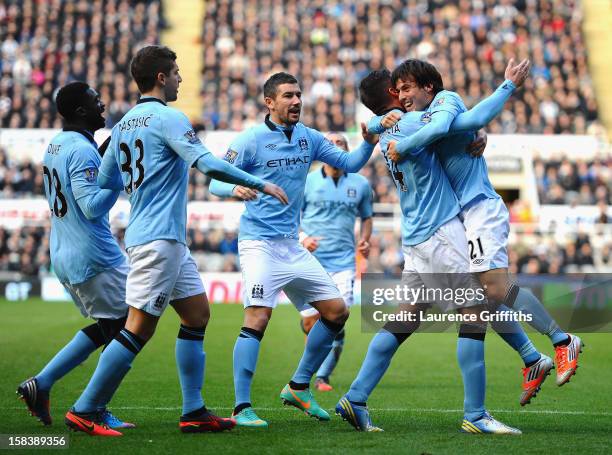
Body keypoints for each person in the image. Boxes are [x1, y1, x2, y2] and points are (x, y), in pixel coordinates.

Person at [63, 45, 288, 437]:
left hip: (161, 237)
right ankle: (85, 408)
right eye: (177, 72)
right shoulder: (168, 118)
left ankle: (194, 410)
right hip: (158, 240)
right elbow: (208, 164)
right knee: (137, 329)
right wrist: (259, 182)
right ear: (162, 78)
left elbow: (103, 180)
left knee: (197, 314)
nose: (182, 78)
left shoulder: (124, 124)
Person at [336, 61, 530, 434]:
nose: (409, 94)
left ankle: (356, 397)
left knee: (403, 320)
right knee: (475, 310)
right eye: (401, 88)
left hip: (416, 237)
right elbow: (461, 121)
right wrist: (503, 92)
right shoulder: (411, 124)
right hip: (440, 233)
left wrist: (374, 125)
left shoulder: (387, 130)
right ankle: (477, 414)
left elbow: (444, 133)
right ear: (394, 94)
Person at [379, 58, 582, 402]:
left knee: (496, 287)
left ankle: (564, 341)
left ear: (429, 86)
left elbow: (471, 120)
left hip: (481, 206)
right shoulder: (417, 120)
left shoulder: (445, 101)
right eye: (398, 91)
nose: (403, 96)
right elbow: (457, 129)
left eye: (408, 87)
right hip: (462, 217)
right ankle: (532, 359)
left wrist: (507, 86)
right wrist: (378, 121)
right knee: (483, 299)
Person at [209, 72, 378, 428]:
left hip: (291, 245)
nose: (297, 101)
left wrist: (368, 142)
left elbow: (349, 164)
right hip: (259, 244)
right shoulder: (251, 140)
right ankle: (241, 409)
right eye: (288, 95)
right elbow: (214, 182)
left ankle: (299, 386)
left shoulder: (309, 138)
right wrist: (234, 190)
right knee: (258, 317)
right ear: (269, 102)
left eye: (299, 95)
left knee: (336, 312)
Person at [17, 81, 132, 430]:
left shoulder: (57, 144)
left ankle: (43, 384)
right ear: (81, 111)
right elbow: (93, 207)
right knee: (131, 328)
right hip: (94, 256)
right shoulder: (82, 151)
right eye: (97, 101)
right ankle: (91, 408)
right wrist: (116, 171)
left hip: (67, 251)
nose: (103, 105)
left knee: (111, 326)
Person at [299, 132, 373, 392]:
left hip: (343, 262)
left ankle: (321, 375)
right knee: (311, 321)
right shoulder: (306, 182)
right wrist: (303, 237)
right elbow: (290, 216)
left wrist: (365, 239)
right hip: (310, 261)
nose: (335, 148)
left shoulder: (361, 184)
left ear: (347, 151)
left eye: (340, 144)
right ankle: (315, 362)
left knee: (338, 316)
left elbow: (366, 217)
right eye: (330, 144)